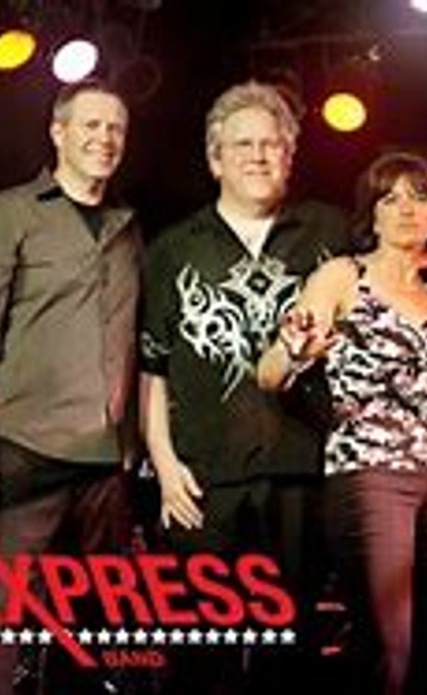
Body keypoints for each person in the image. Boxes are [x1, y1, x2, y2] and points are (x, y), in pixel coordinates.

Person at [258, 151, 427, 695]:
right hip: (371, 473)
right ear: (370, 213)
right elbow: (269, 373)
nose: (406, 210)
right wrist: (294, 351)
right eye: (390, 199)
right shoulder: (343, 276)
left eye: (419, 198)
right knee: (389, 642)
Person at [138, 80, 350, 692]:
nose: (258, 156)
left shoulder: (331, 231)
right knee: (202, 658)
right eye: (242, 145)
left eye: (271, 144)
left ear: (290, 155)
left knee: (294, 650)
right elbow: (151, 368)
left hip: (303, 471)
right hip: (201, 479)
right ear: (215, 160)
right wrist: (165, 465)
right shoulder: (171, 250)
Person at [0, 78, 140, 695]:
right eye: (91, 125)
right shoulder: (6, 213)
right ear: (58, 132)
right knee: (3, 638)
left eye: (115, 128)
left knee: (98, 642)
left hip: (106, 465)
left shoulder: (129, 227)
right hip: (24, 453)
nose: (105, 138)